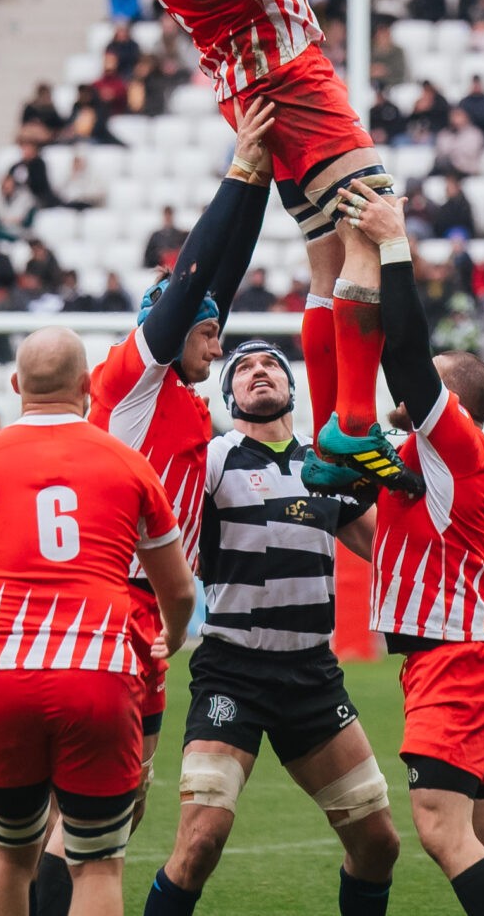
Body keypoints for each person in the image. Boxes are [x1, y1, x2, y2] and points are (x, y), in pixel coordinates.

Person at [30, 104, 274, 910]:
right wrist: (237, 171)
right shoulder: (133, 378)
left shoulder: (176, 391)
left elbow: (219, 279)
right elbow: (198, 280)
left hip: (145, 620)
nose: (222, 336)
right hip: (114, 609)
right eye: (209, 328)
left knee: (120, 806)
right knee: (86, 822)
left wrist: (263, 179)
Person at [120, 0, 398, 481]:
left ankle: (335, 435)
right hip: (287, 80)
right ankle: (352, 425)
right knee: (377, 226)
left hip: (259, 83)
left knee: (329, 256)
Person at [0, 328, 195, 916]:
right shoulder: (128, 464)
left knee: (9, 851)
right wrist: (171, 637)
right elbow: (177, 590)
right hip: (100, 674)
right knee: (96, 861)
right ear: (86, 386)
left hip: (2, 674)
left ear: (15, 386)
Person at [321, 182, 484, 916]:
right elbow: (380, 544)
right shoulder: (422, 464)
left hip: (454, 656)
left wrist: (395, 247)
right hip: (473, 654)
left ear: (456, 406)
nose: (400, 401)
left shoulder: (454, 441)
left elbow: (409, 358)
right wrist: (332, 506)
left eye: (425, 394)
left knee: (439, 828)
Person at [141, 340, 400, 916]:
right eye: (244, 369)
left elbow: (390, 549)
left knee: (378, 844)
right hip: (234, 673)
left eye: (271, 366)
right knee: (200, 843)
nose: (259, 372)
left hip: (312, 676)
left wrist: (478, 515)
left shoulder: (326, 468)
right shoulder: (212, 460)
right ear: (229, 394)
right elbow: (165, 533)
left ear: (291, 389)